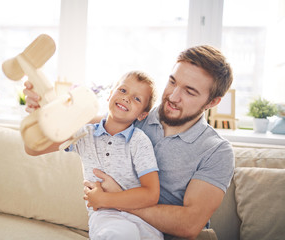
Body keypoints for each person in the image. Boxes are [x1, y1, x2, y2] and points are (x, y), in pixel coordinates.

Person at [24, 45, 235, 240]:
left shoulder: (216, 151)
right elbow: (35, 148)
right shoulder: (130, 119)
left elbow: (189, 225)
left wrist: (113, 199)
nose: (173, 96)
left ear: (212, 102)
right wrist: (41, 116)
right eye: (172, 82)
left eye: (189, 91)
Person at [25, 71, 164, 240]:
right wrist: (37, 115)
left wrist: (105, 198)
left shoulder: (139, 141)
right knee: (120, 234)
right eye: (122, 90)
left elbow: (151, 194)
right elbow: (33, 149)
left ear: (142, 114)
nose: (127, 98)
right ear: (109, 95)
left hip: (142, 218)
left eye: (137, 99)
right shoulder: (84, 134)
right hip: (106, 218)